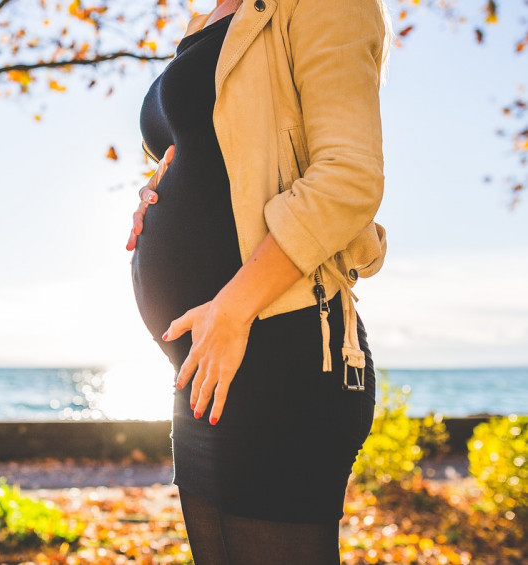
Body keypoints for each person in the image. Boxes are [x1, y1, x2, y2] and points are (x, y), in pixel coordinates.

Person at [125, 0, 394, 563]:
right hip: (203, 365)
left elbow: (349, 176)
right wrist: (155, 192)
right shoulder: (207, 19)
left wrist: (233, 308)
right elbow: (216, 154)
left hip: (281, 349)